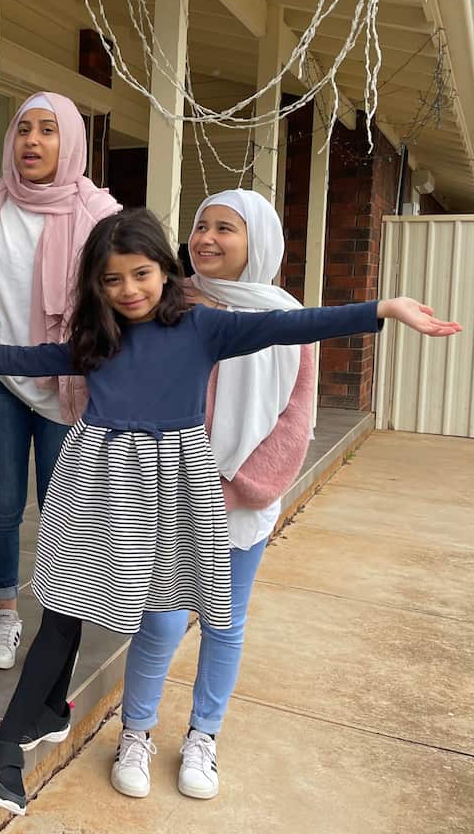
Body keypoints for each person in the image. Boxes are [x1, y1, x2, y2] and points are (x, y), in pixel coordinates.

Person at [0, 207, 460, 815]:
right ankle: (5, 741)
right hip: (93, 481)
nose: (128, 291)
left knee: (154, 606)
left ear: (164, 271)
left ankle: (52, 710)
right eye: (112, 280)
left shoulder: (204, 327)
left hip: (166, 490)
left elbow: (292, 323)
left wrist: (382, 310)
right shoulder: (101, 336)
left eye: (141, 274)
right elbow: (29, 360)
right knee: (66, 609)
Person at [111, 189, 316, 800]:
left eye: (225, 228)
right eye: (200, 225)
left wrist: (242, 487)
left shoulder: (287, 320)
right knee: (163, 619)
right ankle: (136, 731)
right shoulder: (166, 306)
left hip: (243, 503)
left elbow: (295, 420)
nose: (206, 238)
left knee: (224, 624)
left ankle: (204, 735)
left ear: (259, 242)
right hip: (169, 492)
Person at [0, 92, 120, 670]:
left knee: (65, 513)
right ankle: (6, 613)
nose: (32, 142)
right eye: (23, 130)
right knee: (4, 505)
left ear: (71, 143)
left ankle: (60, 622)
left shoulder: (99, 216)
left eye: (47, 131)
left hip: (69, 384)